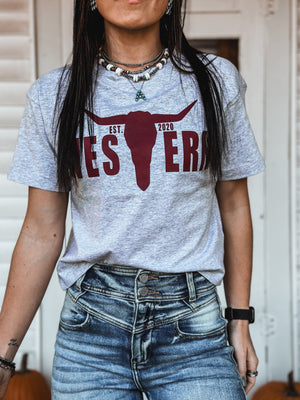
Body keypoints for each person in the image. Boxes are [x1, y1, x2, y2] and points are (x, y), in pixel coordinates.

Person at [0, 0, 265, 398]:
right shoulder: (53, 96)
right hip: (91, 330)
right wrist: (4, 357)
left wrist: (239, 320)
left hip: (193, 326)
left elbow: (233, 204)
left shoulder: (216, 82)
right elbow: (41, 228)